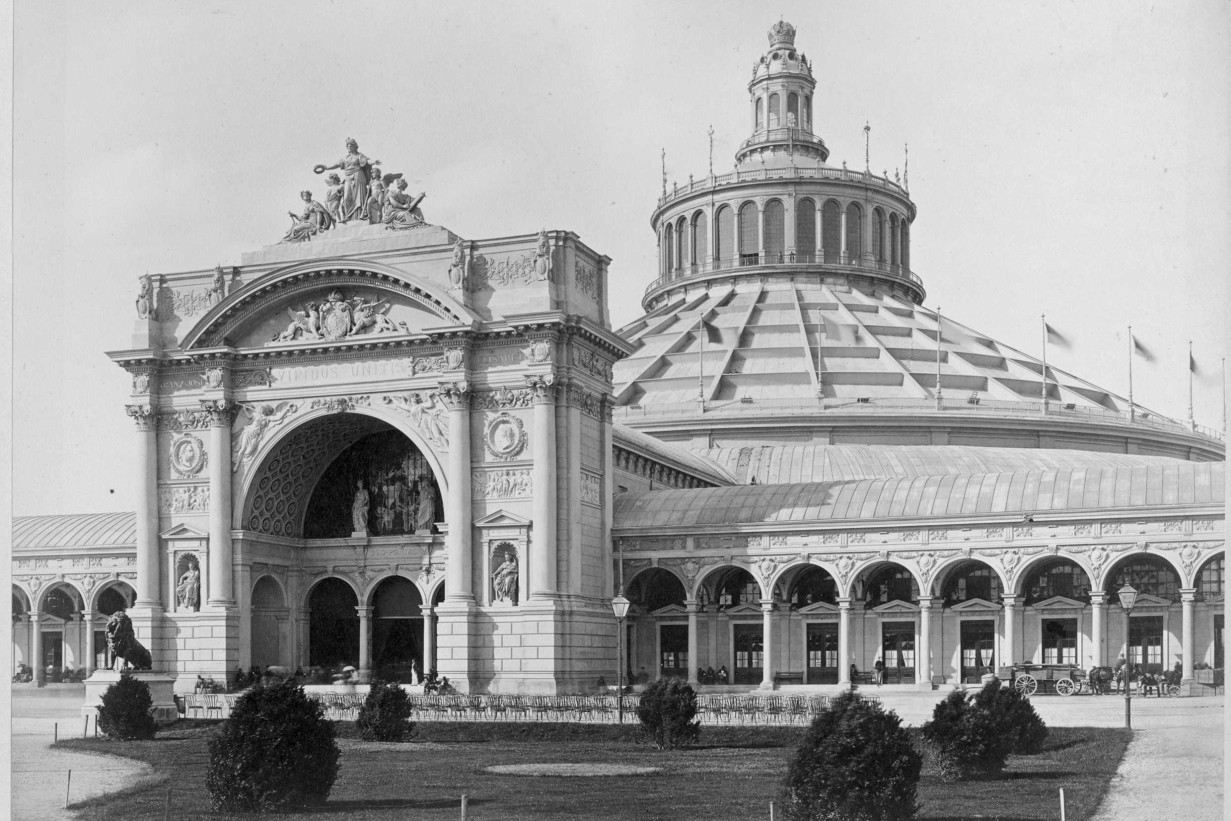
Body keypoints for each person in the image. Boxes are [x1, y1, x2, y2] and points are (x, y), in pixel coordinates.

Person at [314, 138, 380, 222]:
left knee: (359, 197)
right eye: (347, 146)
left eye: (350, 145)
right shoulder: (345, 158)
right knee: (346, 198)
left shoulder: (359, 155)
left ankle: (360, 215)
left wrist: (374, 162)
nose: (348, 147)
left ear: (354, 147)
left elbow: (367, 161)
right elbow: (337, 164)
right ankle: (348, 216)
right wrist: (326, 168)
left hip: (358, 176)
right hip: (348, 178)